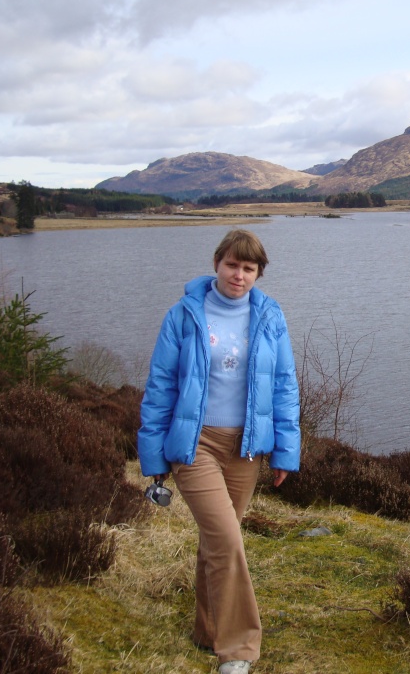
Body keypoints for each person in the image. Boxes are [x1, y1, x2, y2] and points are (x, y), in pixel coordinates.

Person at [138, 229, 300, 674]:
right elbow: (160, 387)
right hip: (196, 445)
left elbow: (284, 385)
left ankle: (207, 631)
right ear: (217, 263)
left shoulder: (270, 316)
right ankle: (239, 649)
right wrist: (154, 459)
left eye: (249, 269)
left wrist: (285, 452)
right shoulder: (183, 315)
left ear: (258, 274)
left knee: (216, 543)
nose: (239, 275)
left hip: (246, 449)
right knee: (228, 540)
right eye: (233, 265)